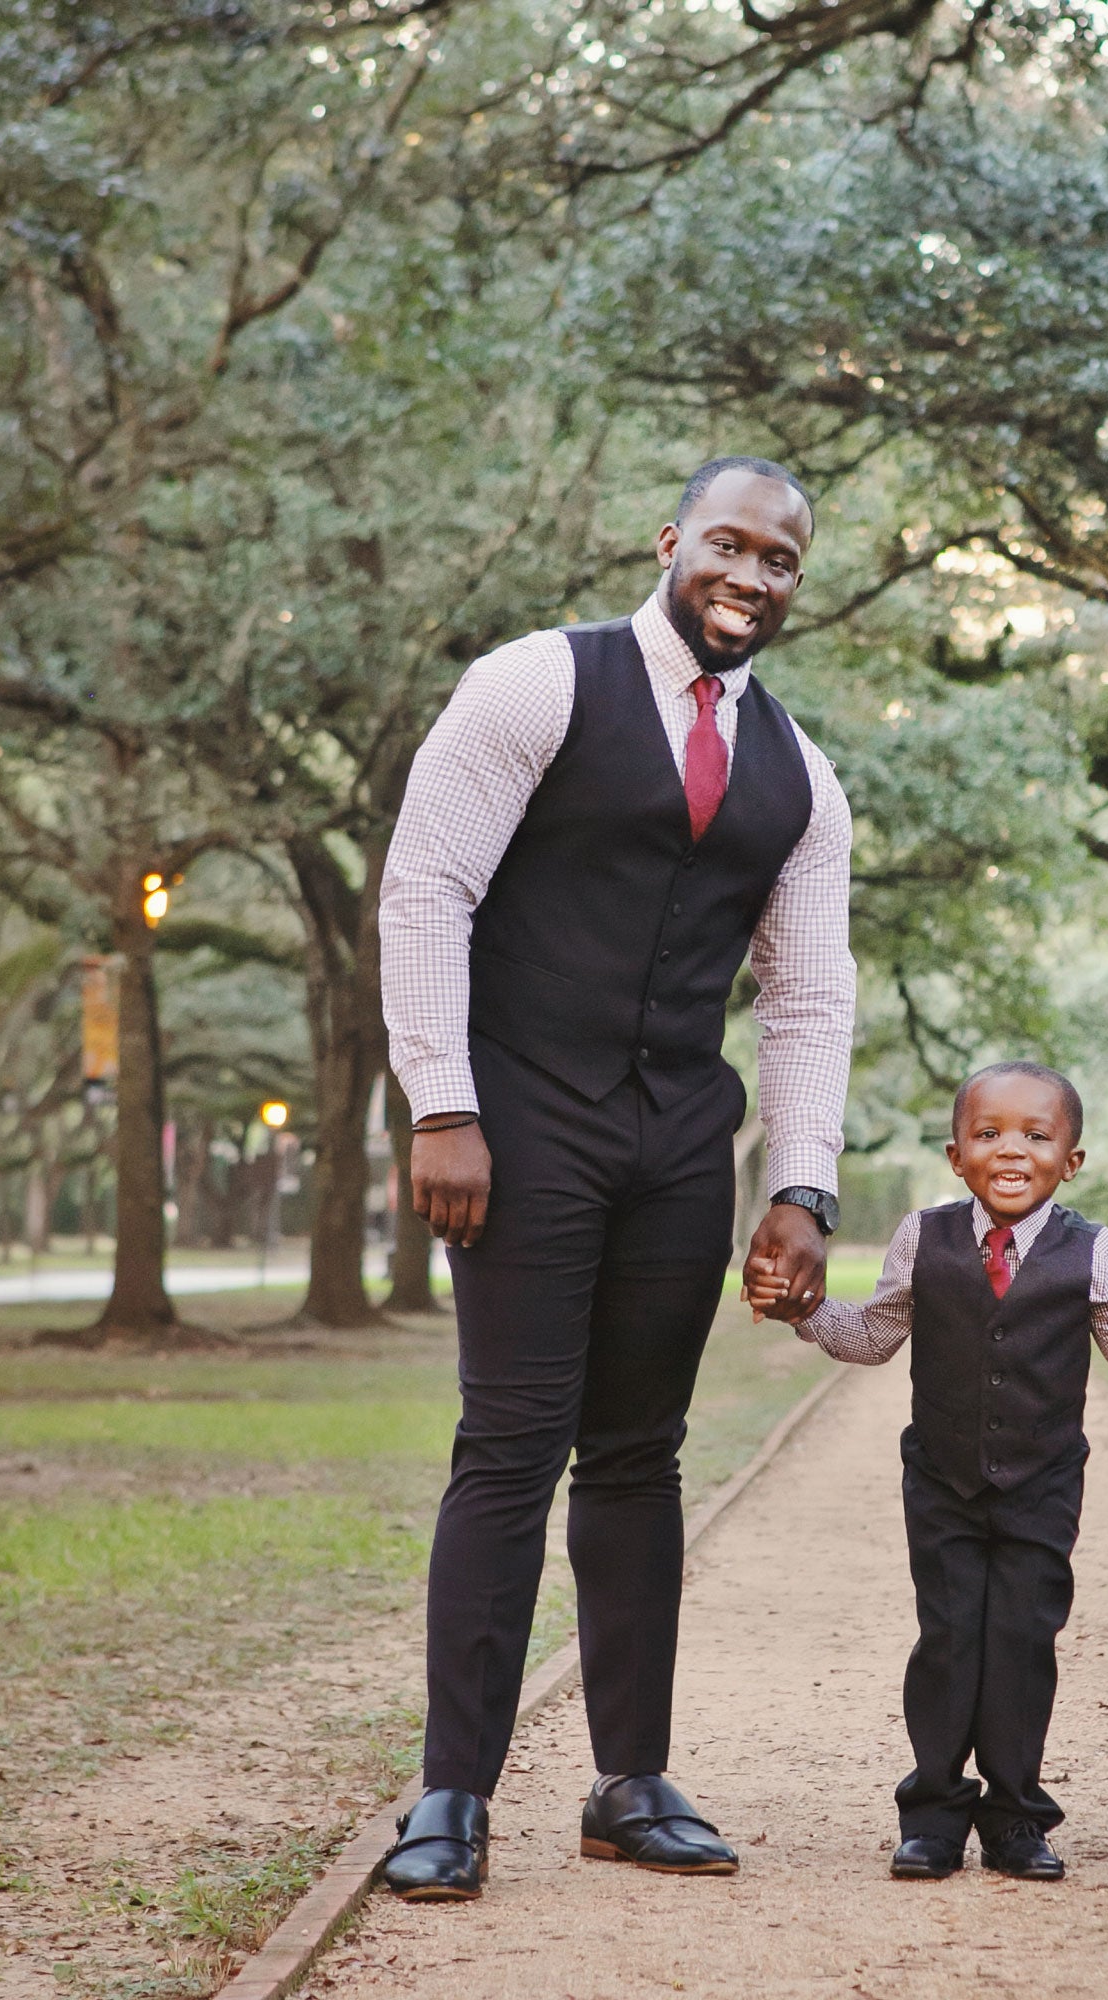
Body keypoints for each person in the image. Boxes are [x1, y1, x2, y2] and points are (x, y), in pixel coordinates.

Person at [377, 457, 856, 1901]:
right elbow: (428, 887)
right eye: (729, 542)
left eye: (780, 558)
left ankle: (628, 1784)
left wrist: (803, 1185)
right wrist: (443, 1103)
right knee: (511, 1444)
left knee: (640, 1456)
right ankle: (450, 1796)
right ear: (672, 544)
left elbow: (810, 992)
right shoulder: (536, 684)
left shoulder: (804, 776)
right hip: (519, 1120)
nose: (752, 574)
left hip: (673, 1145)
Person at [751, 1061, 1108, 1882]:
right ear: (956, 1155)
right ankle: (935, 1816)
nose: (1011, 1151)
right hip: (941, 1484)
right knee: (948, 1641)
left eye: (1036, 1135)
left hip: (1042, 1489)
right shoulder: (922, 1236)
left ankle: (1016, 1820)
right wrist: (802, 1309)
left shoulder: (1094, 1251)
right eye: (988, 1134)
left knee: (1019, 1644)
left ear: (1071, 1160)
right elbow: (872, 1338)